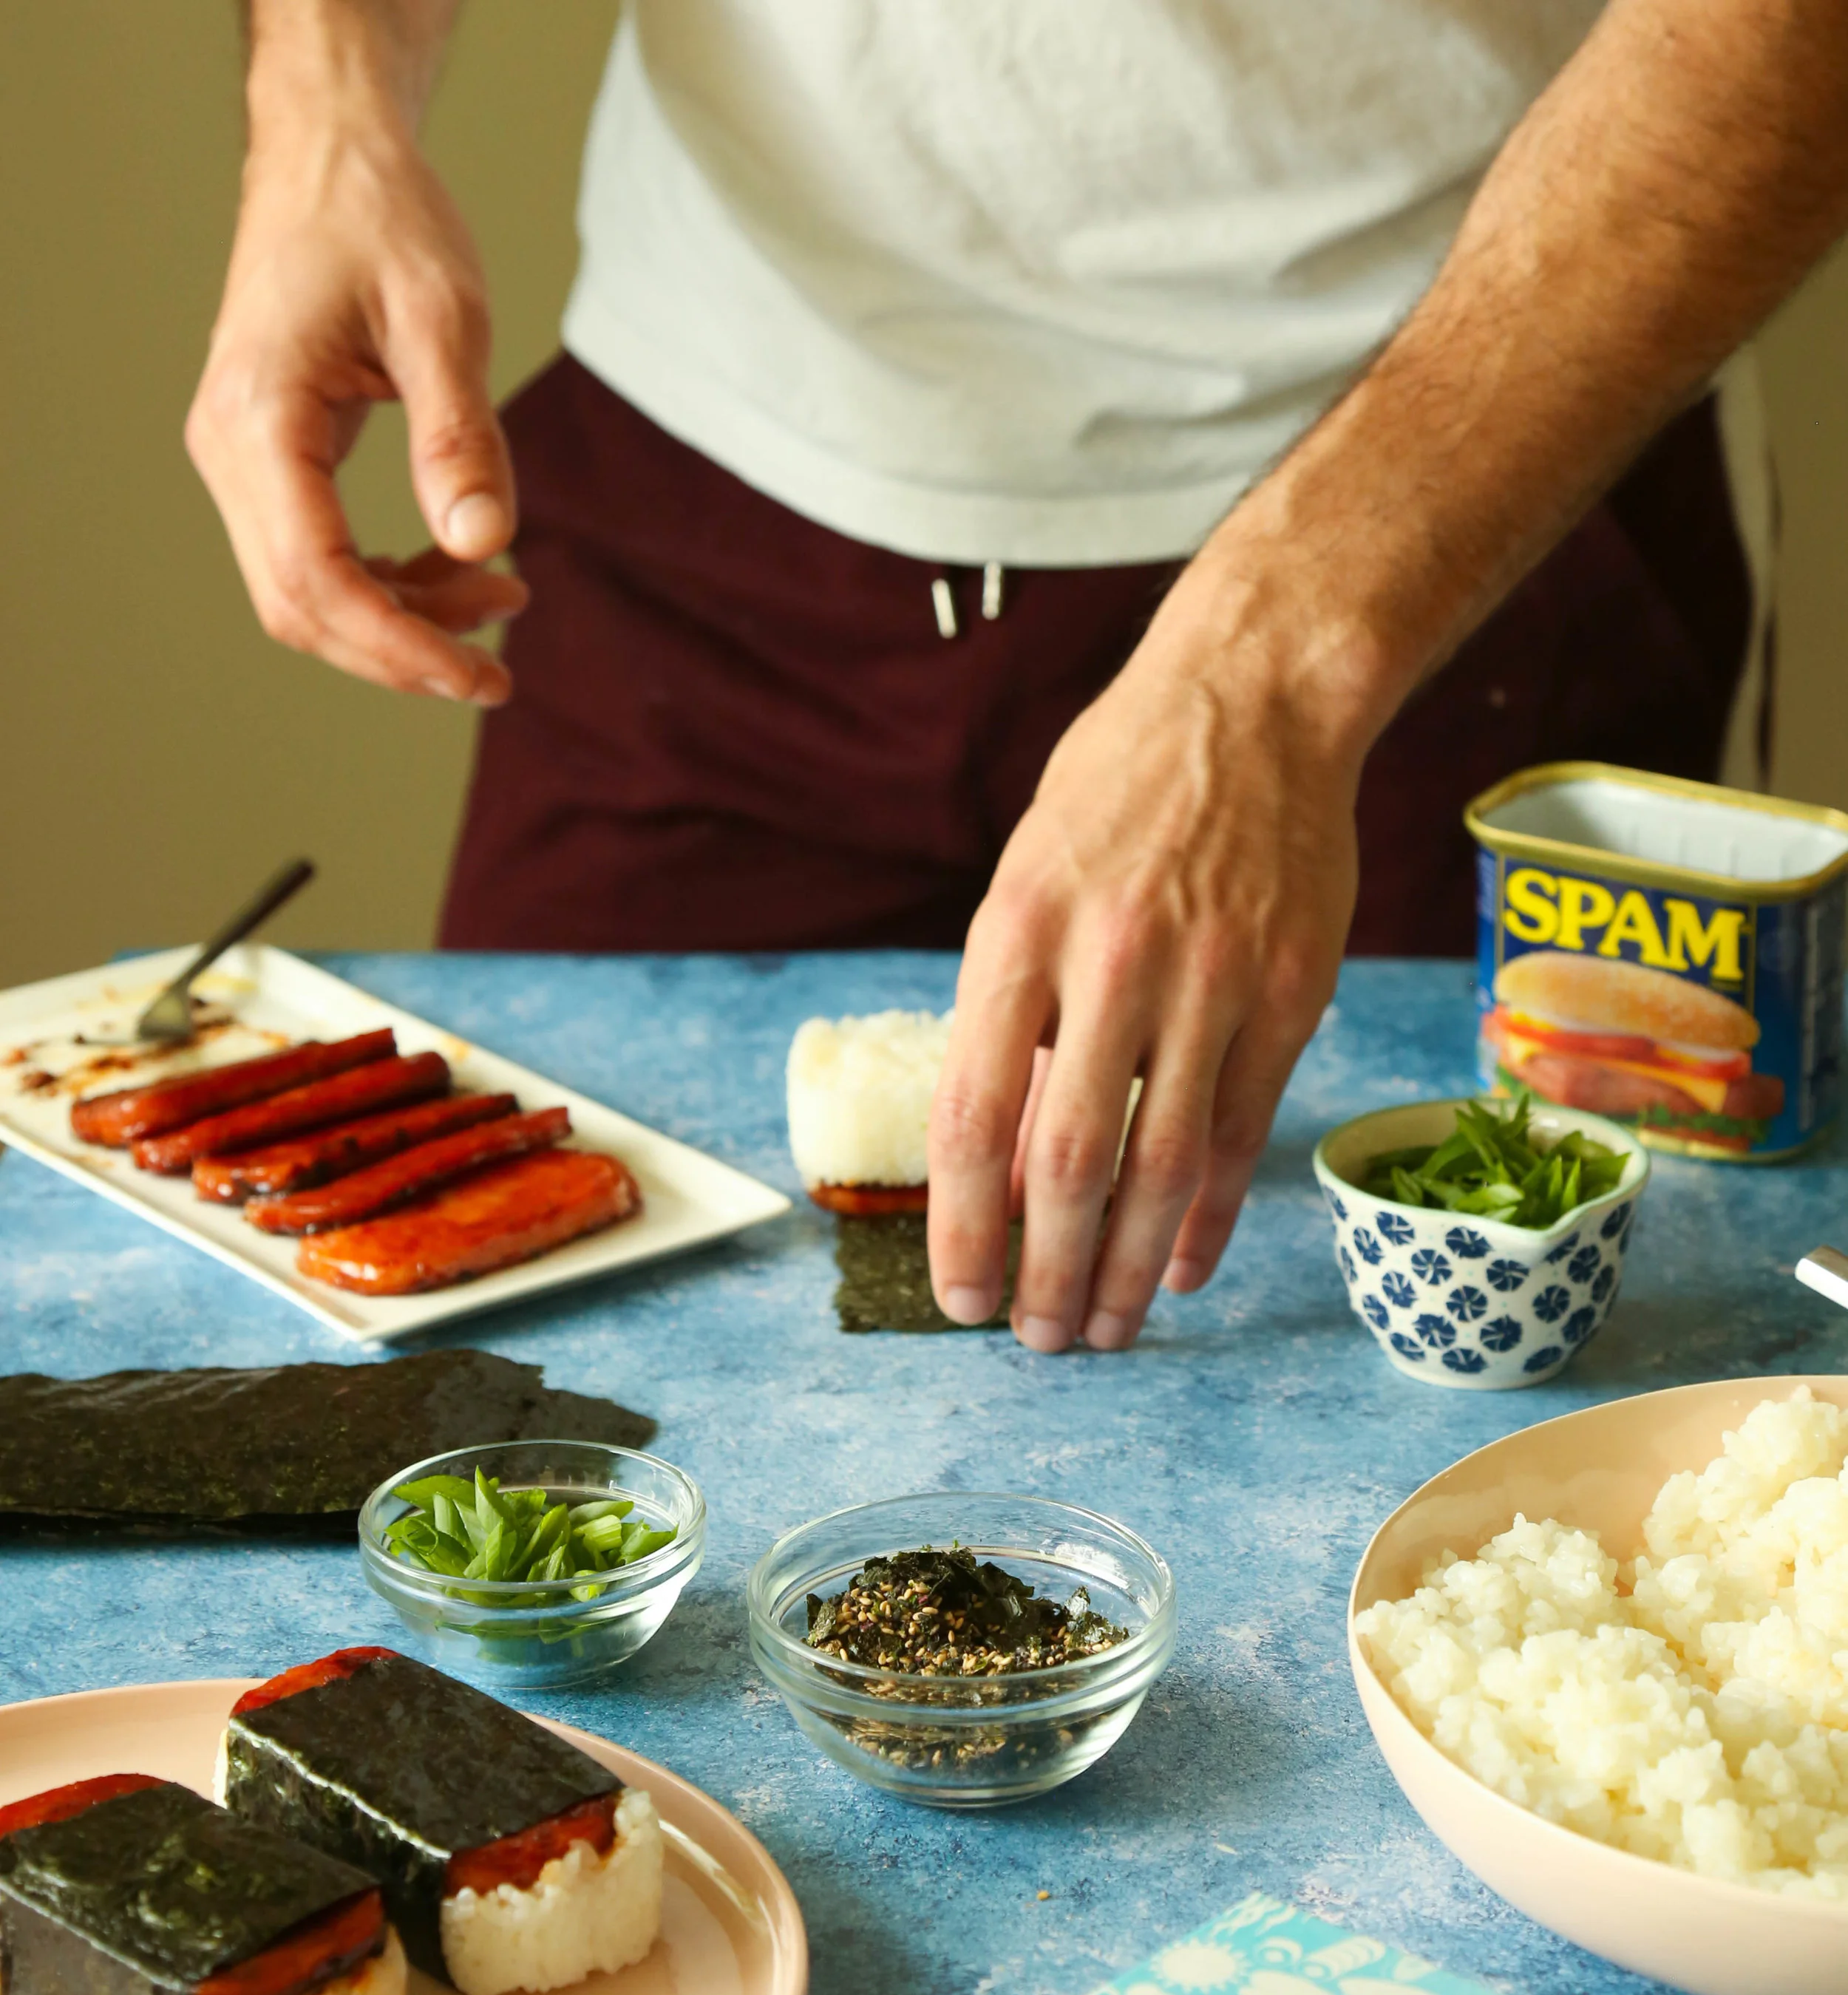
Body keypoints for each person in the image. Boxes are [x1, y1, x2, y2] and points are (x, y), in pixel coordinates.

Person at [188, 2, 1848, 1356]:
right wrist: (325, 107)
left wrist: (1265, 678)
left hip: (1460, 505)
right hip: (709, 470)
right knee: (503, 1381)